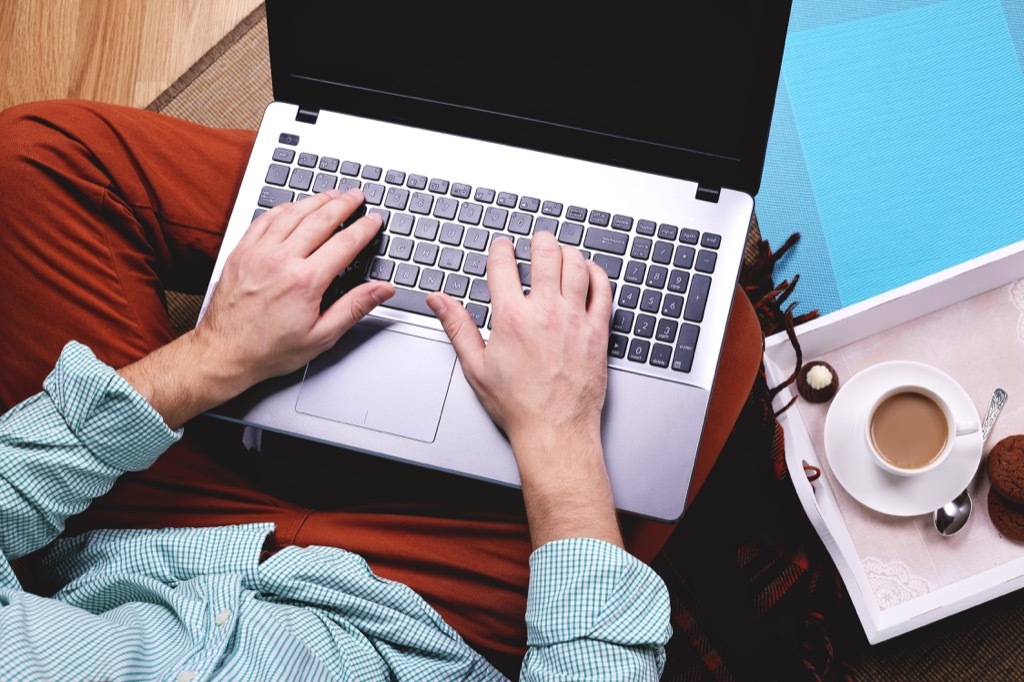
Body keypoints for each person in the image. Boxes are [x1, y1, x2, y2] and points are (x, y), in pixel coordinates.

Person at [0, 100, 762, 680]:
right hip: (422, 626)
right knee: (712, 330)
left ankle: (397, 172)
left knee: (30, 163)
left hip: (140, 555)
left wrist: (210, 359)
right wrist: (559, 443)